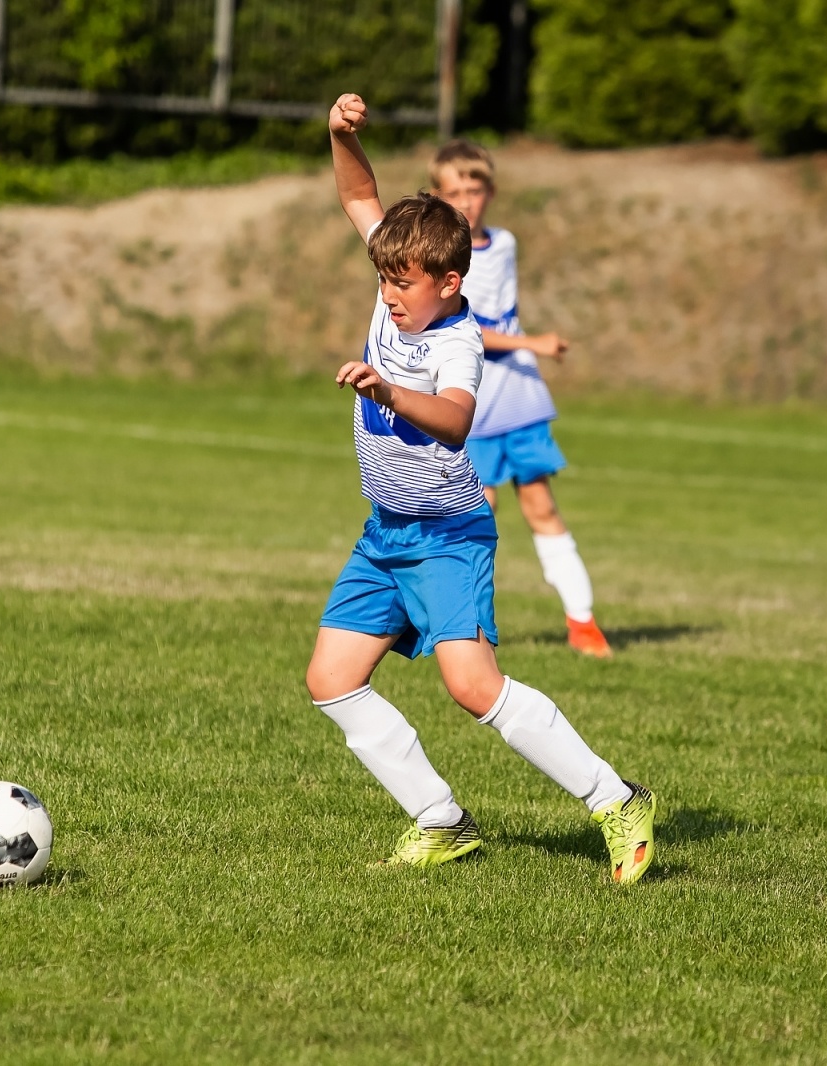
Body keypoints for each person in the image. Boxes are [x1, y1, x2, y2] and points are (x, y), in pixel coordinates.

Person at [304, 92, 656, 881]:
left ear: (450, 281)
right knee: (331, 679)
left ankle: (617, 797)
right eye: (384, 278)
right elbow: (359, 195)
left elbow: (458, 421)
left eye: (404, 283)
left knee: (473, 687)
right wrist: (338, 135)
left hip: (447, 535)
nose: (389, 293)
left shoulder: (457, 341)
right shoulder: (398, 283)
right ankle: (442, 820)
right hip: (386, 531)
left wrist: (389, 393)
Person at [432, 139, 612, 658]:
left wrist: (526, 348)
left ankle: (583, 621)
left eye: (476, 188)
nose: (468, 199)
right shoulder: (440, 258)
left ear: (490, 190)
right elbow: (465, 330)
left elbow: (501, 316)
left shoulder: (504, 244)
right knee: (476, 519)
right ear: (439, 196)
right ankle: (470, 630)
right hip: (473, 407)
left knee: (541, 508)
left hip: (522, 402)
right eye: (455, 191)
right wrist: (532, 342)